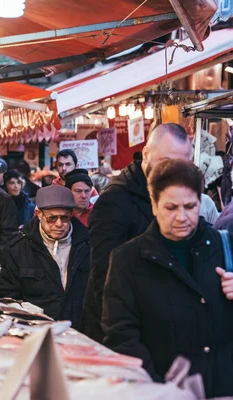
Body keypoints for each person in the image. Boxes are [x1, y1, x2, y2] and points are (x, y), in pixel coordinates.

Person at [102, 159, 233, 398]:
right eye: (171, 208)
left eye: (190, 206)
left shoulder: (226, 246)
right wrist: (160, 390)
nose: (182, 217)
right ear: (154, 204)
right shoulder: (127, 260)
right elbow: (121, 336)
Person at [81, 123, 192, 342]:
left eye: (182, 164)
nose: (173, 171)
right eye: (166, 162)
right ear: (146, 155)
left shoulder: (177, 197)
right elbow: (105, 280)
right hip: (120, 333)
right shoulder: (114, 202)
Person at [0, 186, 90, 330]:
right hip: (36, 330)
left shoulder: (89, 244)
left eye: (64, 217)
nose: (59, 224)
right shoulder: (19, 247)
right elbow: (7, 296)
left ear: (72, 214)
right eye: (52, 218)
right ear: (39, 214)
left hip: (82, 329)